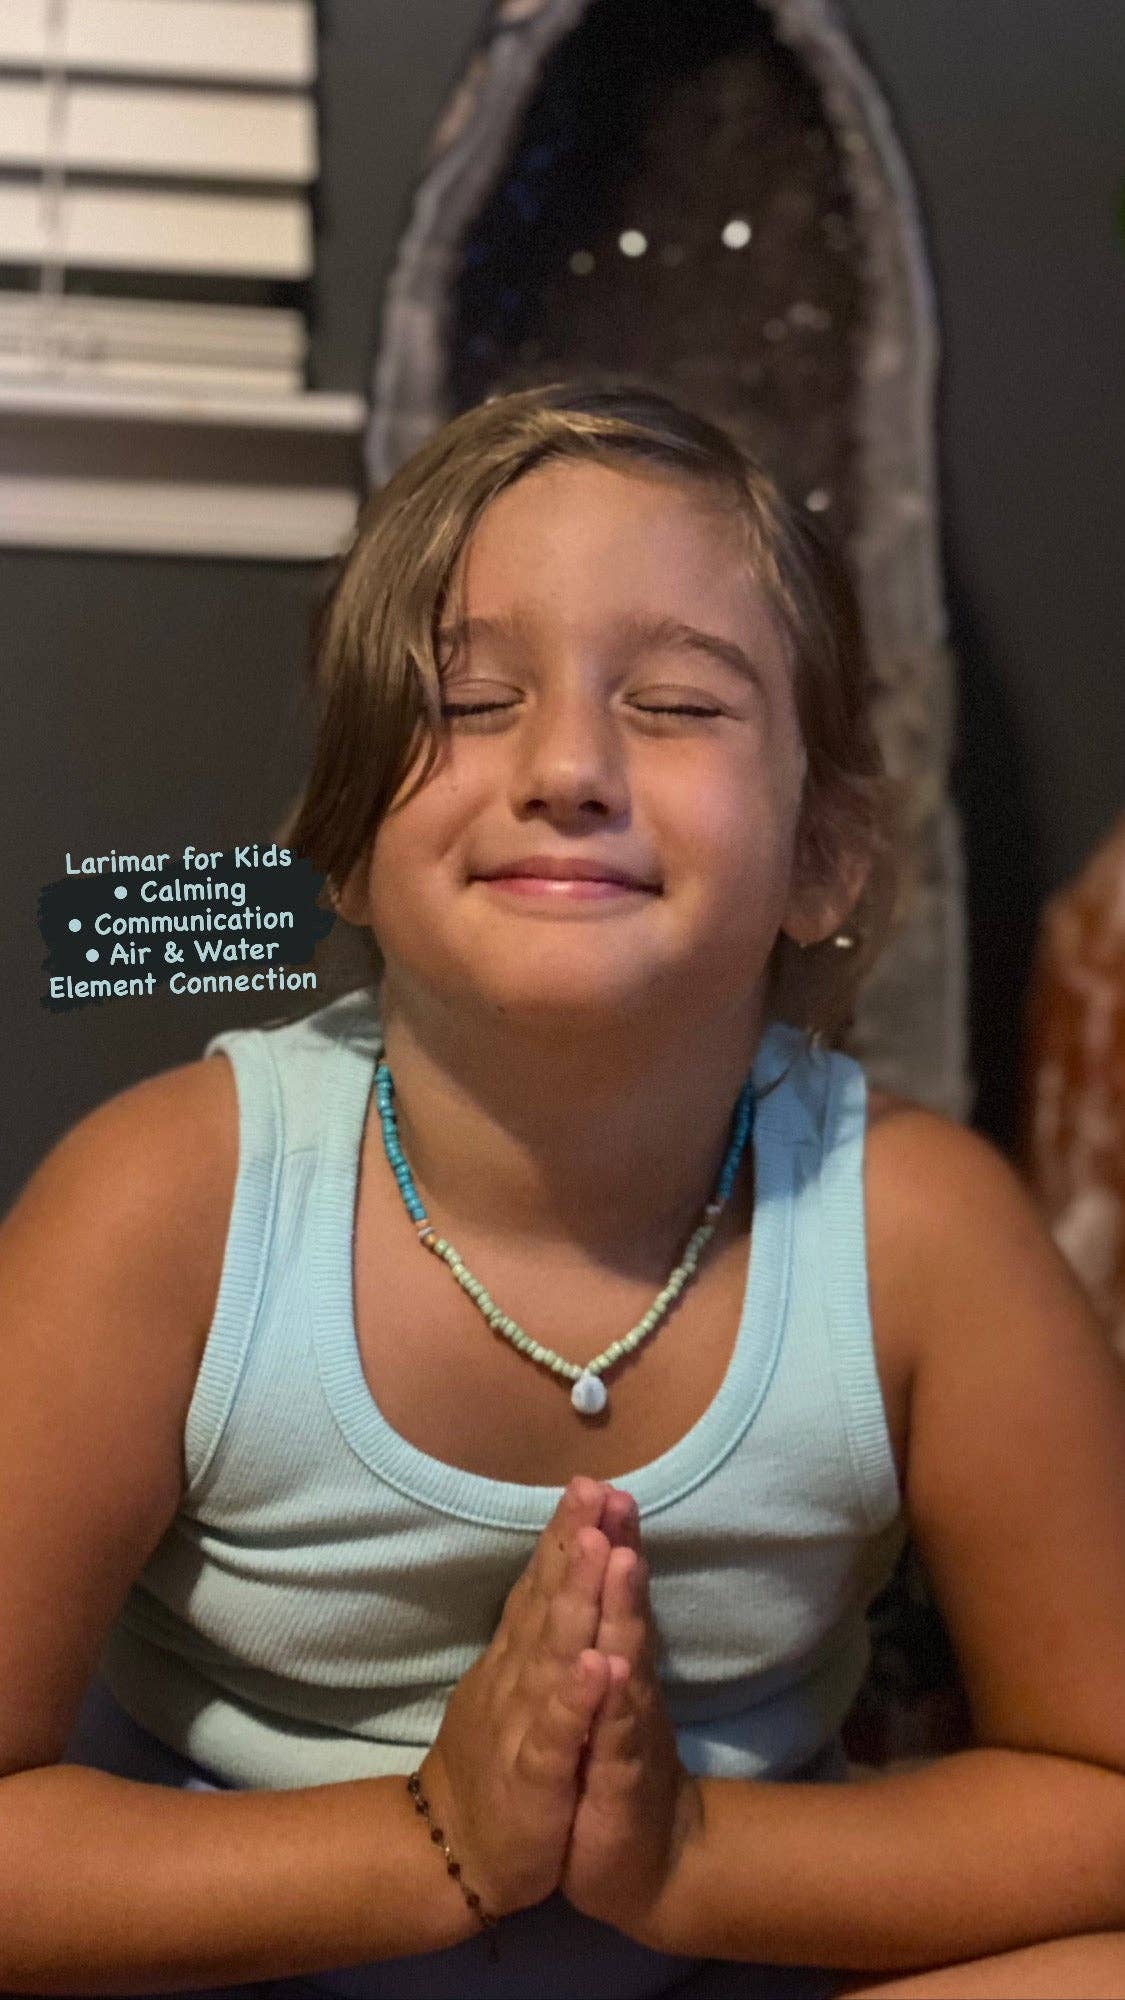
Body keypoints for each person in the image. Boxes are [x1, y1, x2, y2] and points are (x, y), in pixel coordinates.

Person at [2, 380, 1123, 2000]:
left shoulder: (916, 1230)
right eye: (468, 699)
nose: (570, 765)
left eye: (674, 703)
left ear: (822, 852)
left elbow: (1100, 1792)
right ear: (344, 835)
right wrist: (435, 1843)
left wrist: (688, 1857)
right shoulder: (164, 1202)